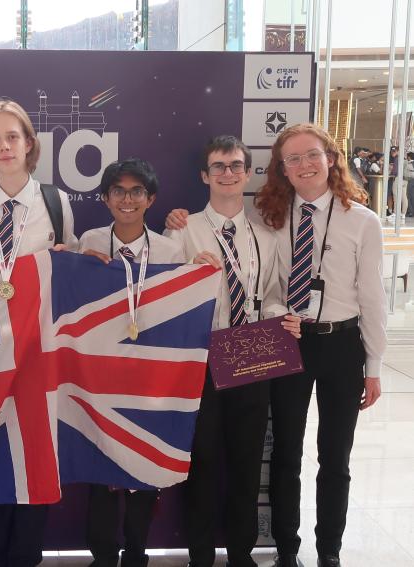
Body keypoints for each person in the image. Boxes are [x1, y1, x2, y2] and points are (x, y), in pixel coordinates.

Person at [161, 135, 298, 567]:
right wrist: (189, 274)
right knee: (201, 463)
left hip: (251, 352)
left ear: (246, 173)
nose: (228, 174)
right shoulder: (182, 229)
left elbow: (273, 293)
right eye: (219, 166)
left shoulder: (266, 233)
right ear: (205, 175)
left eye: (236, 166)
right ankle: (200, 554)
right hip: (200, 356)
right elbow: (164, 296)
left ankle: (241, 554)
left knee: (245, 462)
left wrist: (281, 316)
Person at [254, 123, 385, 567]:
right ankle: (287, 551)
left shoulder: (362, 221)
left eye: (312, 155)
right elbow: (263, 282)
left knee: (335, 457)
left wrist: (375, 366)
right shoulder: (271, 214)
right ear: (282, 169)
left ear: (331, 158)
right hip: (288, 341)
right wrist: (276, 312)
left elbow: (372, 296)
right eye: (293, 159)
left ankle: (329, 549)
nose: (305, 165)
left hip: (342, 344)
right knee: (286, 453)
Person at [0, 98, 78, 567]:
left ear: (29, 144)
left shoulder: (55, 201)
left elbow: (65, 270)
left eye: (13, 137)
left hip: (39, 349)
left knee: (36, 450)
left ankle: (26, 555)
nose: (4, 146)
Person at [78, 157, 184, 567]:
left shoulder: (170, 250)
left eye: (136, 191)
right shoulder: (88, 239)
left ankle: (137, 551)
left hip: (149, 376)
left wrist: (200, 270)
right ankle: (103, 555)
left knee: (143, 469)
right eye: (118, 191)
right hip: (97, 375)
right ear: (105, 198)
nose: (127, 199)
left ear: (150, 198)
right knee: (100, 466)